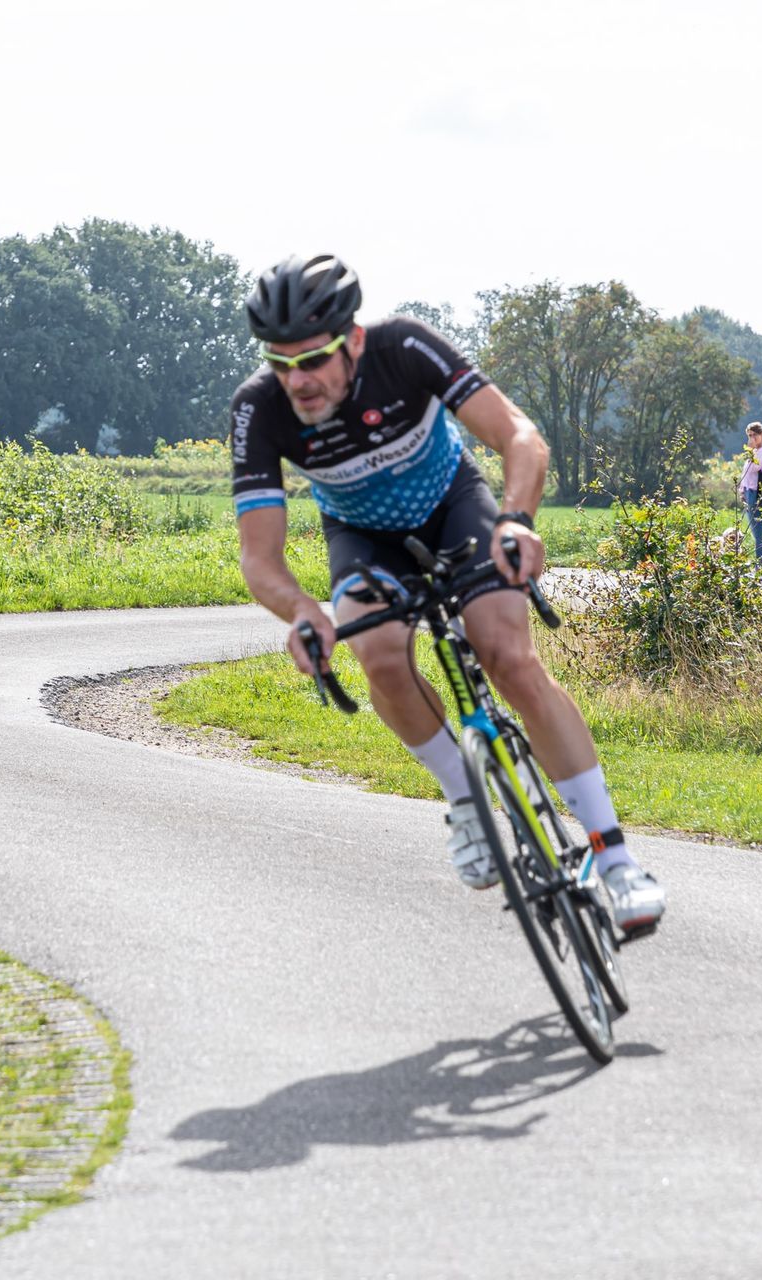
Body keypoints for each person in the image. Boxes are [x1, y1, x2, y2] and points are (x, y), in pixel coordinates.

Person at [231, 253, 664, 932]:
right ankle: (465, 801)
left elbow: (520, 437)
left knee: (508, 656)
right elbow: (259, 557)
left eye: (312, 360)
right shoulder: (259, 408)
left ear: (354, 341)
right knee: (376, 652)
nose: (299, 381)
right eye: (281, 363)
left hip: (454, 506)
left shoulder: (405, 346)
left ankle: (615, 859)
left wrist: (517, 519)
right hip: (363, 536)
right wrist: (302, 611)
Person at [738, 422, 762, 566]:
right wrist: (741, 490)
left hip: (756, 492)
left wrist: (751, 449)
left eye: (754, 435)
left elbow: (755, 468)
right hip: (748, 491)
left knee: (757, 529)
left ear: (761, 435)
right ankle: (760, 562)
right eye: (749, 435)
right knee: (753, 528)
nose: (752, 438)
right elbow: (745, 473)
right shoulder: (753, 451)